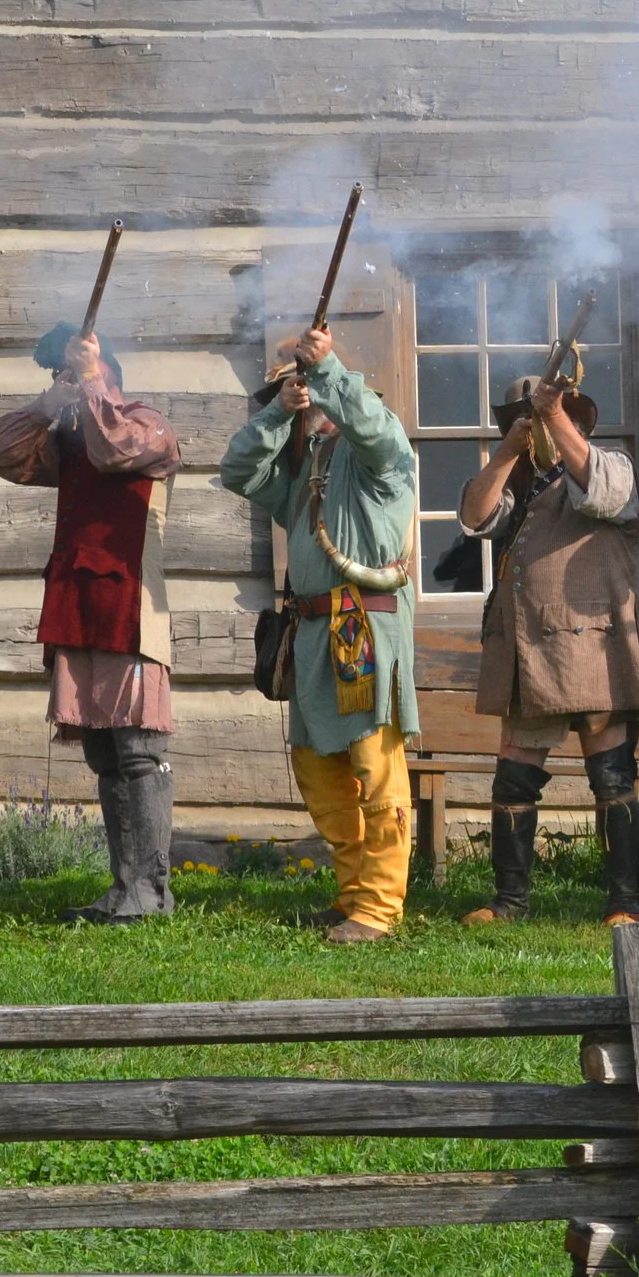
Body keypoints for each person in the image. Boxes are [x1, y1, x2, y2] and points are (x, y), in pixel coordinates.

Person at [219, 325, 419, 944]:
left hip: (362, 627)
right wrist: (278, 413)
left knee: (374, 767)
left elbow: (374, 432)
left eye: (305, 396)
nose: (304, 408)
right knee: (316, 766)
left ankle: (379, 909)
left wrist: (328, 372)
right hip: (310, 635)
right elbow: (237, 469)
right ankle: (352, 894)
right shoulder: (305, 474)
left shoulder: (380, 456)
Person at [0, 322, 182, 926]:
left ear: (104, 367)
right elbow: (0, 453)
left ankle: (151, 893)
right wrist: (49, 404)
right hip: (78, 607)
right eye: (59, 372)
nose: (63, 379)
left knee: (138, 752)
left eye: (67, 369)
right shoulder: (69, 435)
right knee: (104, 751)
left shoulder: (147, 425)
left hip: (130, 609)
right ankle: (126, 889)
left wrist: (90, 379)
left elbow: (114, 449)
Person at [455, 374, 639, 928]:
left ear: (574, 419)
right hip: (527, 651)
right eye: (531, 419)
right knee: (513, 780)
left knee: (612, 778)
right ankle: (510, 902)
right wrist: (507, 452)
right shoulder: (517, 482)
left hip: (596, 647)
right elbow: (474, 517)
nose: (541, 428)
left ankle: (625, 903)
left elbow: (605, 494)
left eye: (547, 417)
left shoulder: (611, 467)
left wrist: (553, 414)